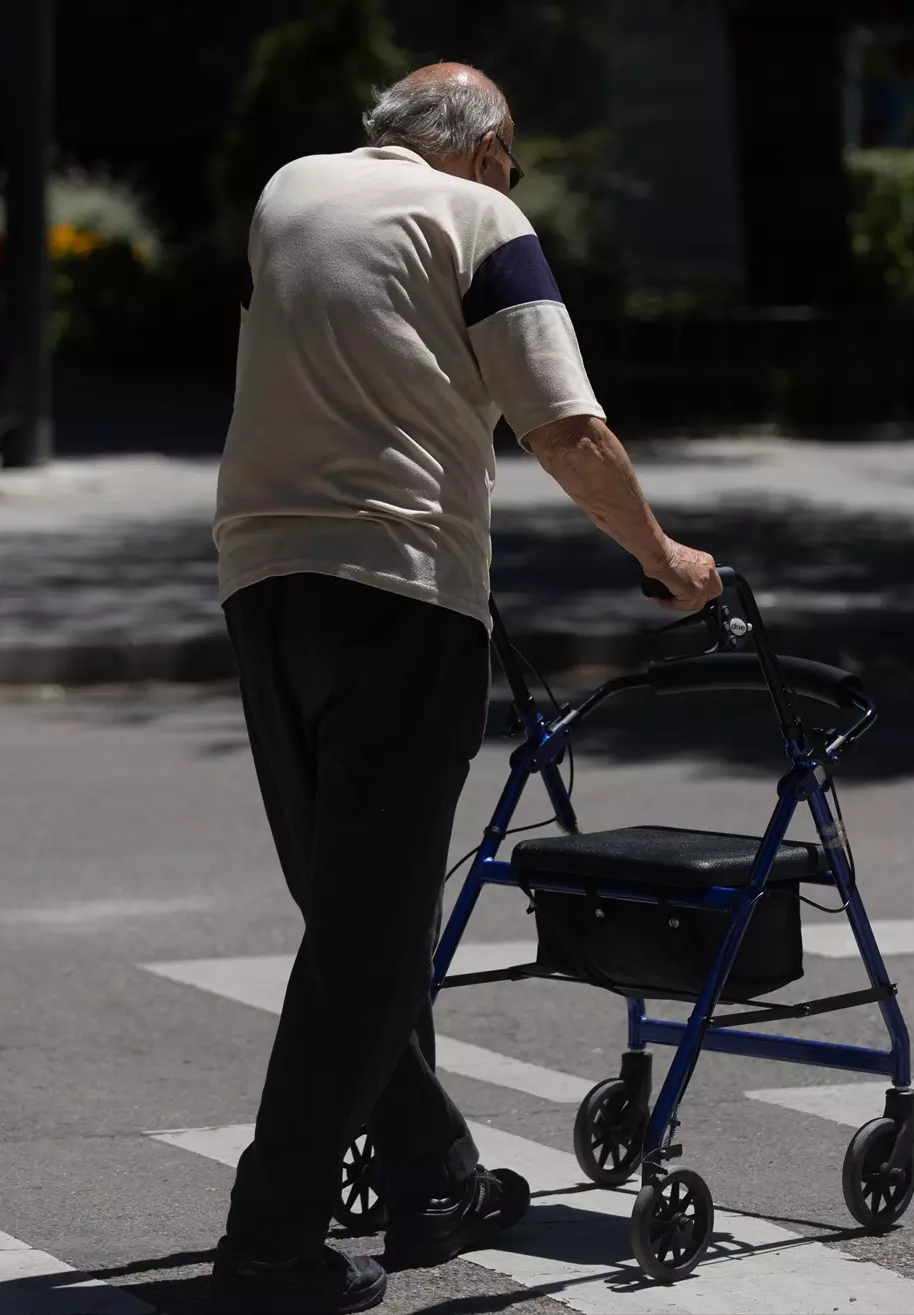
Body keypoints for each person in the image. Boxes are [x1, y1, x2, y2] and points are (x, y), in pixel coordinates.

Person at [207, 62, 722, 1314]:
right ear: (487, 148)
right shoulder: (481, 219)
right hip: (399, 598)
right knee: (373, 945)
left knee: (351, 922)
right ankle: (268, 1243)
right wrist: (667, 562)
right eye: (518, 161)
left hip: (263, 586)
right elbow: (566, 428)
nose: (515, 179)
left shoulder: (289, 193)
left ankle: (432, 1179)